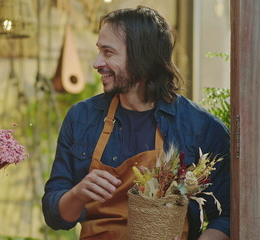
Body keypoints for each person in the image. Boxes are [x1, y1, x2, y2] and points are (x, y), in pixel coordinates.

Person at [42, 6, 230, 240]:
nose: (96, 62)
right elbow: (54, 216)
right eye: (99, 51)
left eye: (108, 53)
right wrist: (78, 194)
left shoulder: (201, 127)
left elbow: (225, 216)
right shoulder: (82, 117)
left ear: (142, 57)